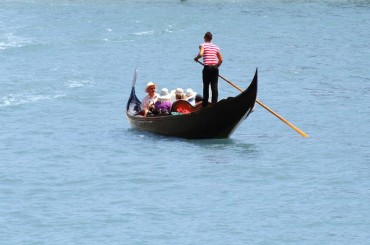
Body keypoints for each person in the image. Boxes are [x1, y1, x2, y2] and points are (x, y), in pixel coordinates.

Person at [194, 31, 223, 108]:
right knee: (214, 86)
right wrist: (216, 67)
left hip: (207, 68)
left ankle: (205, 104)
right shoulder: (216, 47)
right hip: (215, 67)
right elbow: (221, 60)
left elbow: (200, 54)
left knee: (206, 86)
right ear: (211, 39)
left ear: (205, 38)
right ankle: (214, 104)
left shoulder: (202, 45)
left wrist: (196, 58)